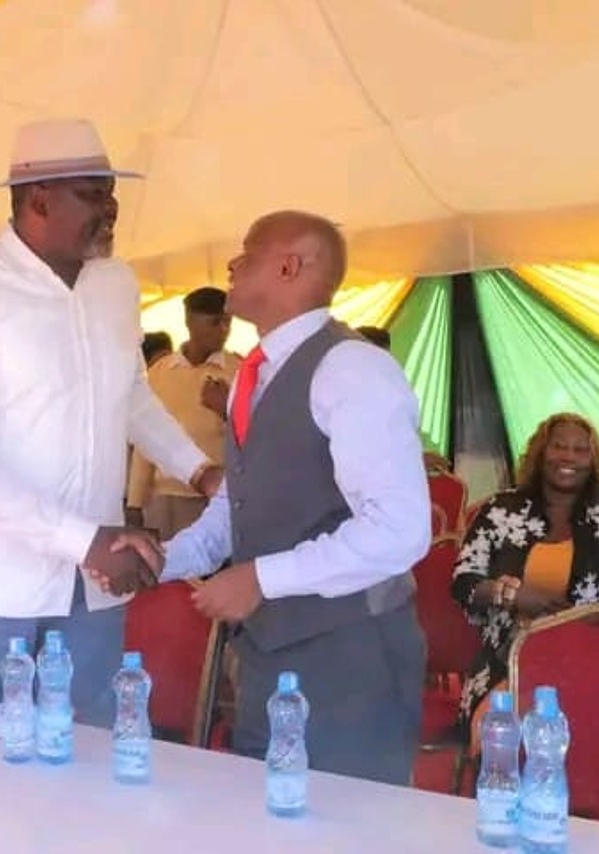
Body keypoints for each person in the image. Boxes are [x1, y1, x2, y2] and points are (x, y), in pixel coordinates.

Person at [103, 210, 431, 784]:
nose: (232, 265)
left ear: (288, 267)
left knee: (347, 820)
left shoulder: (352, 369)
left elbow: (399, 529)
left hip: (349, 659)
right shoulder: (253, 378)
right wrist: (162, 560)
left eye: (247, 254)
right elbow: (239, 504)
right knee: (264, 814)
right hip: (266, 655)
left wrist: (260, 578)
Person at [0, 118, 216, 727]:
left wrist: (200, 470)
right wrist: (83, 540)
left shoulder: (116, 284)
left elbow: (131, 395)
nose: (110, 209)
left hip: (92, 590)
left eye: (111, 194)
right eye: (92, 194)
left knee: (86, 760)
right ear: (38, 199)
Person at [450, 412, 599, 741]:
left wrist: (570, 621)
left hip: (593, 664)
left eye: (580, 449)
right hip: (508, 659)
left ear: (594, 460)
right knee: (495, 734)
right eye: (559, 446)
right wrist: (511, 595)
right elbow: (464, 582)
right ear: (540, 453)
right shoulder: (500, 510)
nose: (568, 457)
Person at [127, 287, 240, 538]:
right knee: (166, 562)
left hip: (216, 498)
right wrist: (134, 503)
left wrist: (227, 409)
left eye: (227, 322)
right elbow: (145, 440)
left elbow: (255, 437)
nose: (223, 330)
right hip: (164, 498)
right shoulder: (160, 372)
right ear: (190, 322)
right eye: (215, 322)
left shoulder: (238, 372)